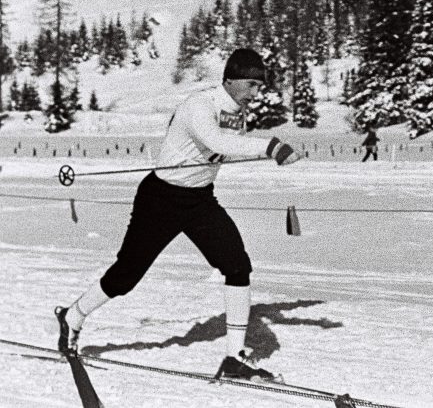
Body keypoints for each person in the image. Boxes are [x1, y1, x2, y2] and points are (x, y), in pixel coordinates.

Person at [55, 48, 301, 381]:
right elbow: (217, 141)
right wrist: (272, 147)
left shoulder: (238, 111)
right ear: (229, 80)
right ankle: (73, 315)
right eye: (251, 85)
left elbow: (225, 148)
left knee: (237, 265)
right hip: (161, 199)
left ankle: (234, 359)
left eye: (259, 86)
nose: (257, 93)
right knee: (126, 274)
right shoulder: (198, 105)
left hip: (200, 201)